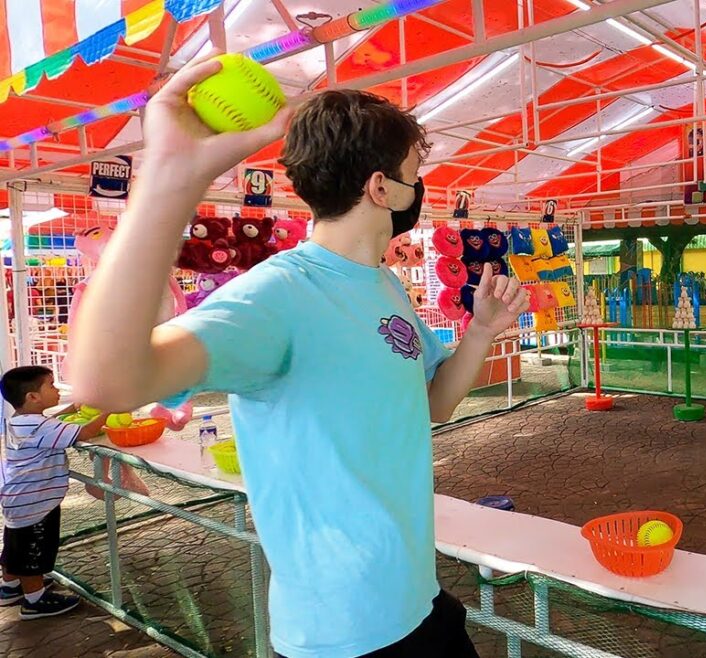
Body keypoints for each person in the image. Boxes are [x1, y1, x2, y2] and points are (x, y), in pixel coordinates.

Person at [68, 53, 530, 658]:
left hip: (416, 598)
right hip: (343, 635)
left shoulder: (382, 284)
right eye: (416, 173)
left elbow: (432, 405)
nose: (420, 189)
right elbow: (108, 380)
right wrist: (170, 182)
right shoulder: (279, 295)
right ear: (380, 187)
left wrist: (481, 332)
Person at [0, 366, 108, 618]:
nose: (57, 389)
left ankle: (9, 587)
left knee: (16, 547)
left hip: (19, 500)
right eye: (51, 385)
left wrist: (71, 409)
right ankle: (35, 600)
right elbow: (85, 432)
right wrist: (110, 410)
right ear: (33, 398)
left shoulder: (19, 421)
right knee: (33, 553)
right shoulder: (40, 427)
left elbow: (50, 424)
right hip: (36, 503)